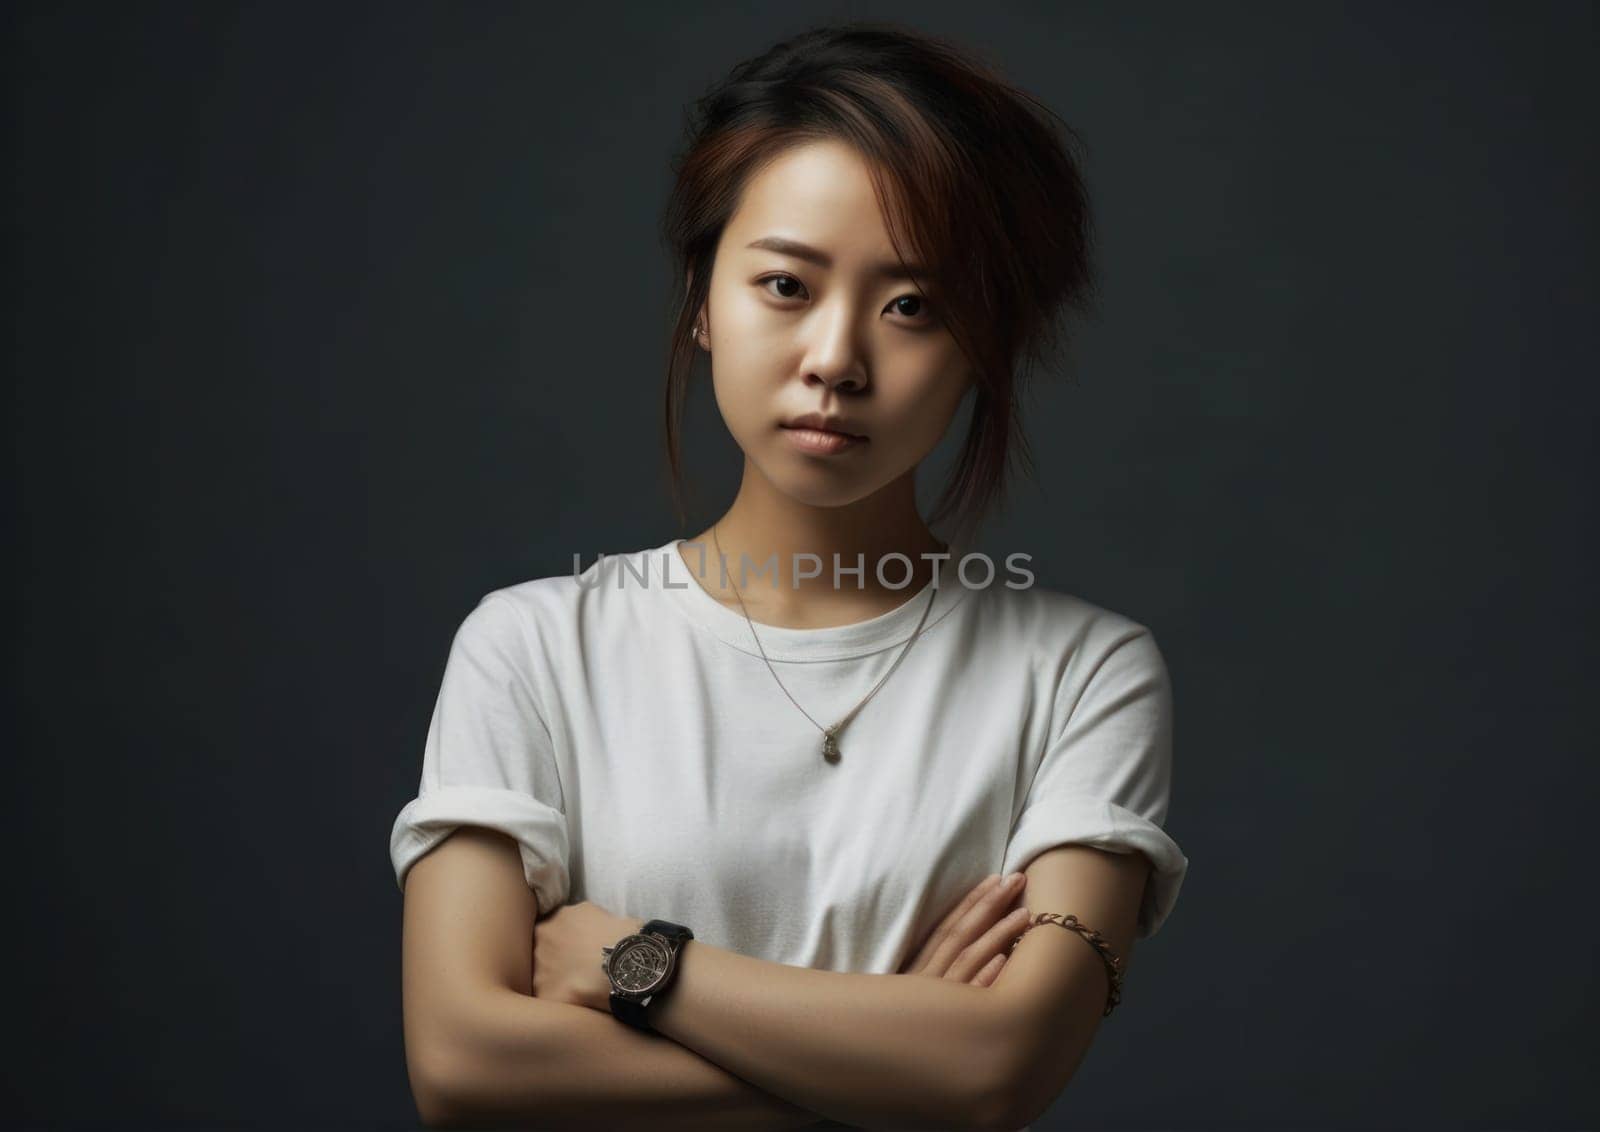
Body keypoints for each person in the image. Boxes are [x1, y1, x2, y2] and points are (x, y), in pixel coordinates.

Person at [389, 20, 1189, 1132]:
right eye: (784, 284)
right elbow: (466, 1068)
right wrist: (901, 1056)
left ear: (982, 349)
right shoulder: (532, 648)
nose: (836, 357)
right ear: (701, 302)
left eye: (913, 306)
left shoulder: (1082, 673)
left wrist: (642, 965)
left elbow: (1001, 1069)